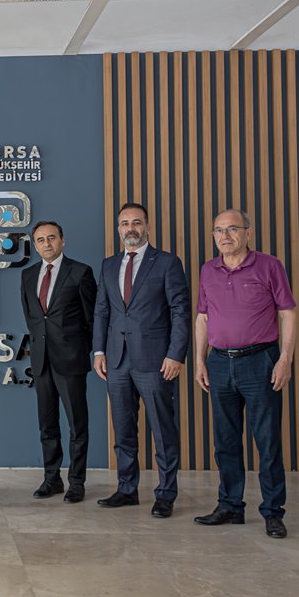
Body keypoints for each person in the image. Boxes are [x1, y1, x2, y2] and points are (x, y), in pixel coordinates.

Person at [193, 209, 297, 539]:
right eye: (218, 230)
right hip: (220, 363)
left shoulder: (269, 265)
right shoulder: (208, 270)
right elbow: (202, 318)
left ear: (248, 233)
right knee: (225, 441)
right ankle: (230, 506)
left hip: (260, 361)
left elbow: (287, 313)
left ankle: (273, 512)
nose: (225, 236)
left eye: (232, 229)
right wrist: (199, 360)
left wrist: (285, 359)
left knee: (267, 440)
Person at [93, 203, 190, 518]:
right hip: (116, 361)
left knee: (162, 430)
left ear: (147, 227)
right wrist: (98, 351)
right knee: (123, 431)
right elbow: (102, 311)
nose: (130, 228)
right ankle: (126, 489)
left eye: (136, 222)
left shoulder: (167, 263)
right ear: (118, 229)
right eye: (124, 223)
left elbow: (180, 311)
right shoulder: (109, 265)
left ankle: (166, 494)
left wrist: (176, 354)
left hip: (155, 360)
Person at [20, 221, 96, 503]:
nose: (47, 243)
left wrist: (81, 350)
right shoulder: (28, 275)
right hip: (41, 361)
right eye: (41, 240)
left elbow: (92, 319)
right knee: (47, 425)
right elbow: (32, 317)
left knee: (77, 425)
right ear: (35, 245)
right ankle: (51, 479)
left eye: (51, 238)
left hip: (71, 360)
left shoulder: (80, 272)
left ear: (63, 240)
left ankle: (77, 482)